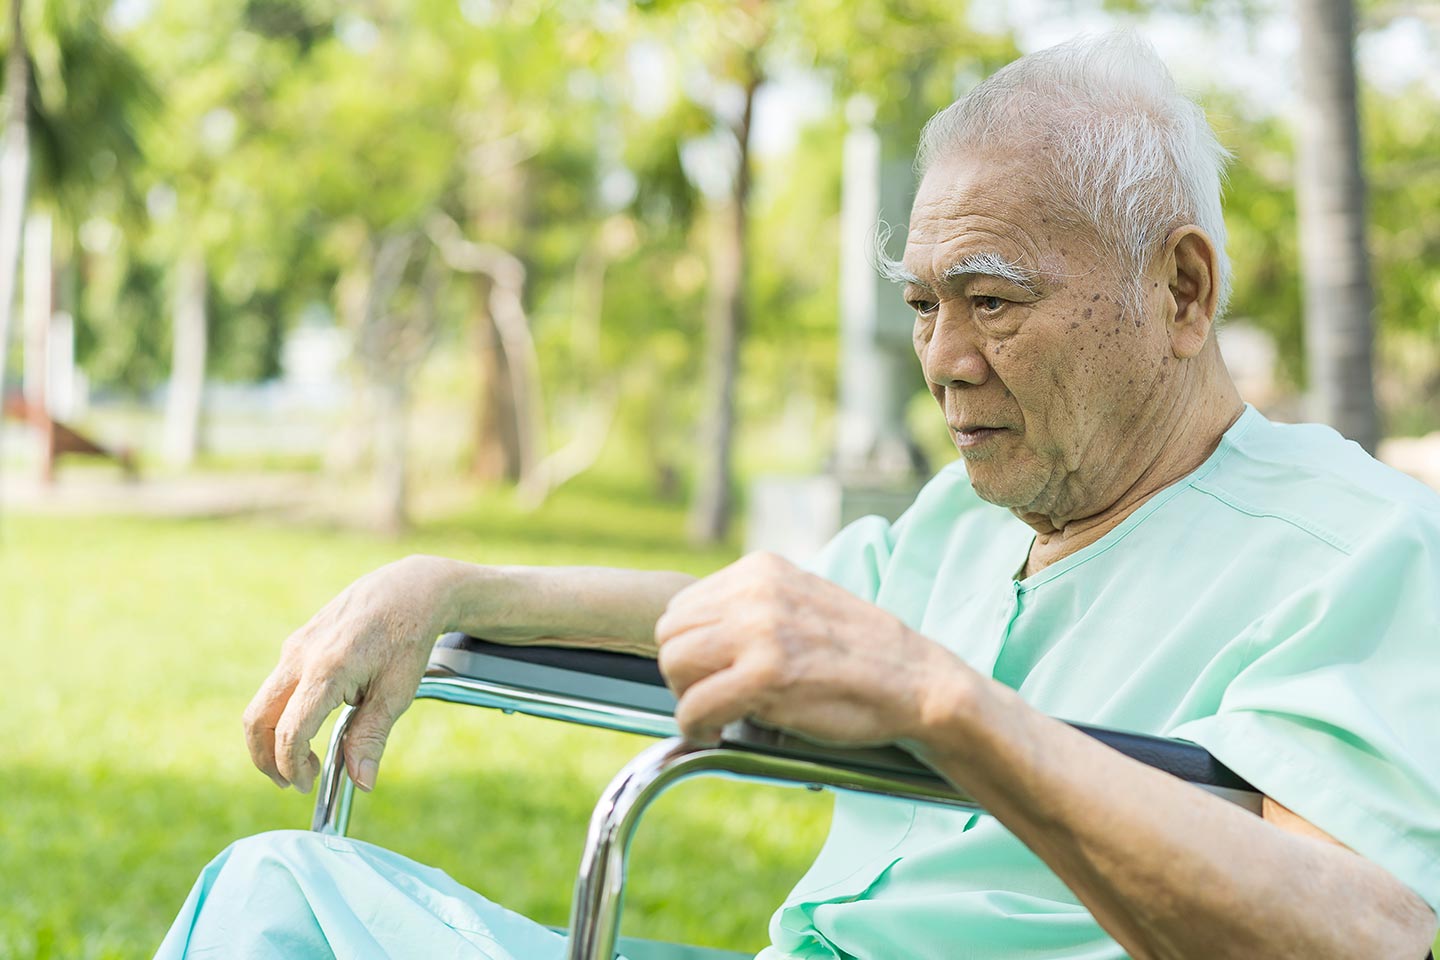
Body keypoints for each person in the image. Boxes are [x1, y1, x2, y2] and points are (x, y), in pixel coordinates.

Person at [158, 32, 1440, 960]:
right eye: (924, 306)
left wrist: (954, 712)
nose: (944, 359)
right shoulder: (974, 514)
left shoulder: (1356, 548)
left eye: (993, 300)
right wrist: (444, 590)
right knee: (292, 891)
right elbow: (747, 613)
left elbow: (1364, 935)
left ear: (1184, 291)